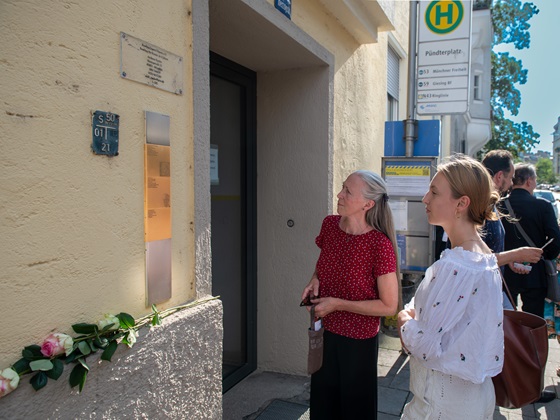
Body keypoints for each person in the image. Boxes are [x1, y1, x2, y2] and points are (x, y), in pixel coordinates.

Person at [398, 154, 503, 419]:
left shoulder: (460, 265)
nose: (425, 199)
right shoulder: (483, 258)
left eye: (434, 192)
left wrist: (403, 321)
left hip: (442, 402)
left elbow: (426, 345)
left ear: (461, 203)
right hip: (471, 396)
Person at [301, 170, 399, 419]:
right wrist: (315, 279)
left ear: (368, 204)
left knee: (355, 410)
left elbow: (389, 306)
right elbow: (323, 261)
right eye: (342, 187)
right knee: (322, 405)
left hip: (358, 341)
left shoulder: (379, 245)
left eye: (347, 191)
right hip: (324, 332)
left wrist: (338, 304)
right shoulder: (330, 225)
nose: (339, 194)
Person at [481, 150, 543, 309]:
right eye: (509, 178)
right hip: (480, 294)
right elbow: (473, 258)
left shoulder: (488, 202)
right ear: (500, 176)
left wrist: (508, 260)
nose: (510, 184)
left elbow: (487, 251)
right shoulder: (479, 205)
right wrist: (517, 254)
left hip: (488, 289)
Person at [501, 163, 560, 318]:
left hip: (505, 270)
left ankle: (509, 343)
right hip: (536, 272)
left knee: (505, 320)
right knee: (533, 321)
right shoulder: (543, 206)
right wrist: (542, 256)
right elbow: (555, 239)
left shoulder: (499, 205)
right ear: (529, 181)